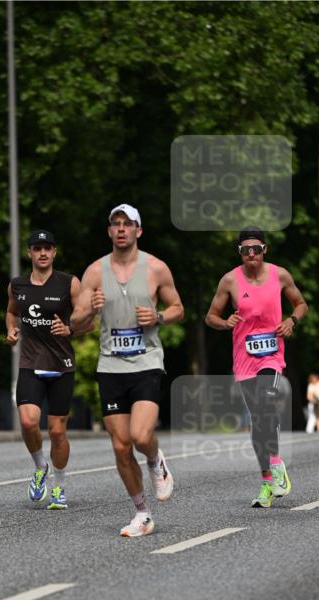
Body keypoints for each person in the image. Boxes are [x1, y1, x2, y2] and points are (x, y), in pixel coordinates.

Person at [70, 203, 184, 537]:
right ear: (109, 231)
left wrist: (159, 316)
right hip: (110, 366)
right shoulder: (94, 272)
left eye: (127, 223)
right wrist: (88, 311)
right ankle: (142, 514)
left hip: (147, 362)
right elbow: (76, 323)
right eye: (115, 224)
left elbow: (178, 307)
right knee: (120, 447)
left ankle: (154, 460)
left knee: (139, 436)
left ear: (138, 230)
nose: (121, 228)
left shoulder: (156, 269)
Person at [205, 226, 308, 507]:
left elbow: (300, 304)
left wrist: (291, 321)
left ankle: (277, 465)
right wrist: (224, 322)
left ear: (265, 250)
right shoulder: (229, 281)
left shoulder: (280, 275)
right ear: (239, 252)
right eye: (245, 250)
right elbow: (210, 316)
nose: (251, 254)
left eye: (256, 249)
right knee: (257, 423)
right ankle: (266, 483)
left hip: (271, 355)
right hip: (244, 358)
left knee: (266, 402)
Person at [6, 229, 82, 509]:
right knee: (27, 421)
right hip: (30, 362)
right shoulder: (18, 285)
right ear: (29, 252)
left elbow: (88, 319)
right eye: (37, 248)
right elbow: (12, 311)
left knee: (58, 432)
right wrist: (11, 330)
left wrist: (70, 328)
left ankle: (59, 487)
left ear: (54, 252)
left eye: (47, 248)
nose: (42, 253)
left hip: (61, 365)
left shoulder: (69, 283)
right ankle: (40, 466)